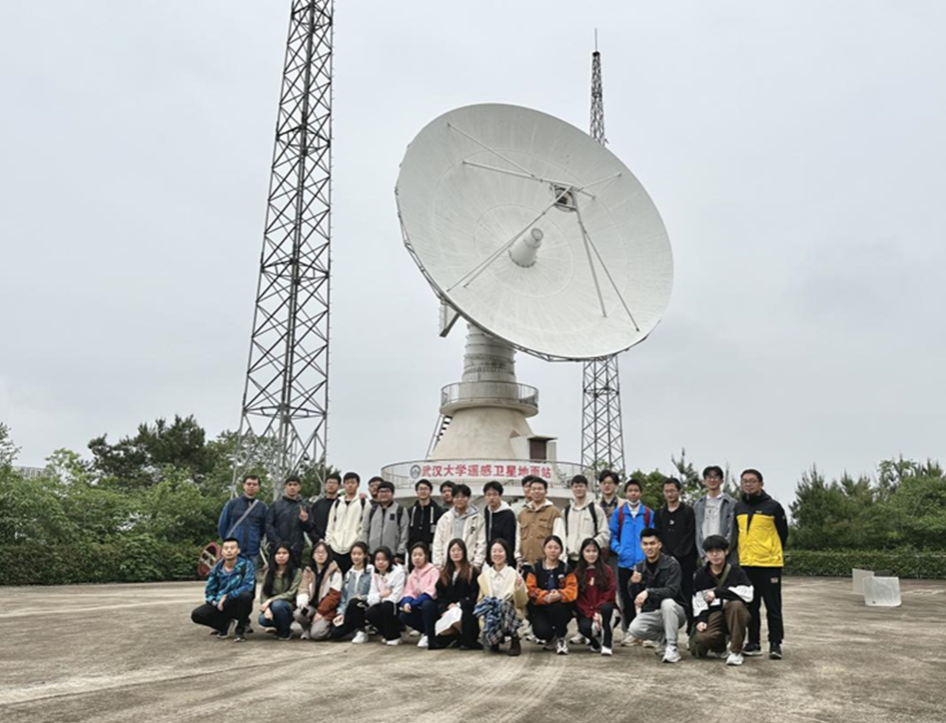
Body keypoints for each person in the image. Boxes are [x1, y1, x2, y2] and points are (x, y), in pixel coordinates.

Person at [734, 468, 788, 660]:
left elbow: (783, 534)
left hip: (769, 565)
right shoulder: (739, 507)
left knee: (773, 606)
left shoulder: (773, 507)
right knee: (751, 606)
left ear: (761, 484)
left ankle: (775, 643)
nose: (748, 484)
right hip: (747, 564)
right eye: (745, 481)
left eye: (752, 481)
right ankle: (753, 642)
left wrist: (770, 551)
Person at [626, 527, 687, 663]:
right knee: (634, 629)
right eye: (645, 544)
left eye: (652, 543)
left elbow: (672, 591)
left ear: (659, 544)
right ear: (641, 546)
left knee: (667, 603)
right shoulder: (640, 567)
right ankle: (663, 640)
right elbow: (635, 597)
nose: (649, 547)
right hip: (653, 613)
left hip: (675, 612)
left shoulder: (672, 564)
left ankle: (672, 647)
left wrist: (648, 592)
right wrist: (633, 583)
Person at [691, 534, 754, 666]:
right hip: (713, 614)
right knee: (702, 638)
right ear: (706, 554)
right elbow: (698, 600)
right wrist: (701, 620)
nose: (715, 555)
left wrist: (718, 592)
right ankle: (721, 646)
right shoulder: (701, 574)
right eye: (710, 551)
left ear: (726, 552)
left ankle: (735, 651)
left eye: (718, 551)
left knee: (736, 605)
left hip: (734, 614)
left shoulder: (737, 572)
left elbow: (748, 595)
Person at [609, 478, 654, 643]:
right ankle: (630, 632)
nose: (633, 493)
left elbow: (653, 536)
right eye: (630, 490)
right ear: (626, 493)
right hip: (624, 563)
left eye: (636, 490)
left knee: (647, 598)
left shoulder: (648, 513)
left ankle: (647, 634)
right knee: (626, 599)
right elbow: (612, 535)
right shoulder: (619, 513)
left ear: (640, 493)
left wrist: (648, 553)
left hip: (645, 563)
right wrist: (619, 549)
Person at [191, 537, 255, 642]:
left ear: (238, 550)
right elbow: (209, 590)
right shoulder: (217, 568)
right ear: (222, 551)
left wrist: (228, 596)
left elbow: (248, 586)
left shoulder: (246, 565)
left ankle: (240, 630)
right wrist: (214, 602)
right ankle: (223, 625)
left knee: (246, 596)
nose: (229, 551)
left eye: (232, 548)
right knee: (197, 614)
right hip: (220, 604)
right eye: (226, 548)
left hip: (237, 603)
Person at [654, 477, 697, 632]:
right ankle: (665, 631)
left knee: (687, 595)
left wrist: (678, 555)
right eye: (666, 491)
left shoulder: (688, 511)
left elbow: (690, 535)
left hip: (686, 562)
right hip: (665, 563)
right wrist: (667, 556)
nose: (669, 494)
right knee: (666, 596)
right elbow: (658, 536)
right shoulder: (659, 513)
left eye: (672, 490)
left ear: (679, 491)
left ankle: (691, 629)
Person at [525, 535, 577, 655]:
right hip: (540, 607)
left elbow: (572, 589)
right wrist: (545, 596)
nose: (553, 551)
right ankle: (550, 638)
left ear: (561, 550)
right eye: (550, 547)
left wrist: (560, 594)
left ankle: (561, 638)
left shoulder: (566, 568)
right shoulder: (535, 568)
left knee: (557, 606)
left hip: (561, 607)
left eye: (556, 548)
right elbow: (530, 589)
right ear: (544, 549)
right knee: (541, 631)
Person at [474, 538, 527, 656]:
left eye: (500, 551)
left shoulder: (514, 574)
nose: (497, 554)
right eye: (494, 551)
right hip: (492, 614)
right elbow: (480, 600)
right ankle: (494, 639)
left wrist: (518, 588)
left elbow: (522, 602)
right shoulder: (484, 577)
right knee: (491, 609)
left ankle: (514, 639)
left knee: (504, 604)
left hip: (511, 613)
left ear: (506, 553)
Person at [434, 539, 481, 650]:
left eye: (459, 550)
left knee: (463, 614)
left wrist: (459, 604)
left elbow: (475, 594)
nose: (456, 553)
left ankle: (466, 639)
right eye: (453, 550)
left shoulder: (471, 571)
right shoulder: (445, 573)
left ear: (464, 552)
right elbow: (440, 595)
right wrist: (444, 608)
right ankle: (456, 637)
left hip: (466, 609)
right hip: (449, 609)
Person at [573, 538, 617, 655]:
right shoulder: (577, 573)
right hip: (587, 611)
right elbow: (579, 598)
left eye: (594, 551)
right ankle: (595, 642)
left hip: (604, 609)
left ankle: (607, 642)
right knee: (584, 627)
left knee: (607, 608)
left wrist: (598, 610)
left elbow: (610, 591)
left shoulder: (607, 570)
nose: (591, 554)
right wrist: (591, 613)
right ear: (582, 553)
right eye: (588, 551)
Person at [294, 541, 343, 640]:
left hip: (327, 609)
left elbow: (334, 596)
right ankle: (307, 629)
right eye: (317, 552)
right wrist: (303, 602)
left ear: (328, 555)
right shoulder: (308, 570)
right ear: (313, 555)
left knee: (317, 634)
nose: (320, 555)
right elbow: (303, 588)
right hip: (312, 606)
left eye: (323, 552)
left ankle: (328, 627)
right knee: (298, 614)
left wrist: (320, 612)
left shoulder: (335, 571)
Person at [432, 483, 486, 569]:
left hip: (469, 564)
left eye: (463, 497)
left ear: (469, 498)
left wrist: (477, 563)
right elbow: (438, 542)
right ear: (453, 498)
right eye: (457, 497)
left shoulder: (478, 518)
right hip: (448, 564)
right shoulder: (445, 518)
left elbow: (481, 542)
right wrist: (438, 564)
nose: (460, 499)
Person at [518, 477, 566, 571]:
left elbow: (559, 538)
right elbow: (518, 537)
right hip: (525, 563)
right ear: (529, 491)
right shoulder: (522, 514)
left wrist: (559, 562)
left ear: (546, 491)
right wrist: (518, 557)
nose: (536, 491)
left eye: (540, 489)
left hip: (546, 565)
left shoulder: (554, 512)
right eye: (533, 489)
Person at [325, 471, 369, 574]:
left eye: (353, 483)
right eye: (347, 483)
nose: (350, 485)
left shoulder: (364, 503)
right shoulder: (337, 502)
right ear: (343, 485)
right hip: (335, 546)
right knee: (335, 577)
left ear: (358, 484)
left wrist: (359, 541)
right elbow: (330, 524)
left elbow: (364, 525)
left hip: (353, 548)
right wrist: (329, 541)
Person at [217, 474, 268, 564]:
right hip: (233, 550)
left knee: (251, 572)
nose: (251, 486)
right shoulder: (232, 504)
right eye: (249, 484)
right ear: (244, 485)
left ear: (258, 487)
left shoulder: (262, 507)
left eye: (254, 484)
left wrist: (255, 539)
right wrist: (228, 542)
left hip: (252, 550)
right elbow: (222, 525)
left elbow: (262, 529)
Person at [330, 541, 373, 643]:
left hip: (365, 606)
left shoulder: (371, 571)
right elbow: (344, 598)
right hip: (350, 610)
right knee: (335, 633)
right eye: (353, 554)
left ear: (365, 555)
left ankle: (362, 631)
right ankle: (354, 629)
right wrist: (341, 613)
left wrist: (362, 598)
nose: (356, 557)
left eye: (359, 554)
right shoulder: (349, 573)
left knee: (355, 602)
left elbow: (374, 592)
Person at [399, 542, 440, 648]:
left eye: (420, 555)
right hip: (417, 605)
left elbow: (431, 592)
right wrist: (407, 603)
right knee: (404, 615)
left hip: (432, 605)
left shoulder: (433, 571)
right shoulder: (412, 574)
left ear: (426, 556)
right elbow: (408, 591)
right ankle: (424, 631)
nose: (417, 558)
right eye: (414, 555)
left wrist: (413, 604)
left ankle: (428, 634)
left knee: (427, 604)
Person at [694, 465, 738, 564]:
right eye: (709, 477)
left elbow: (732, 531)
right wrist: (703, 554)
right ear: (704, 481)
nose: (712, 480)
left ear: (721, 481)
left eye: (716, 477)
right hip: (706, 554)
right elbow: (697, 531)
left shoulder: (730, 503)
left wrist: (724, 551)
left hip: (726, 555)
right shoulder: (698, 504)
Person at [564, 474, 610, 569]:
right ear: (571, 488)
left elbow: (605, 533)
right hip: (571, 559)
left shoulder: (596, 509)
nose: (578, 489)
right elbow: (563, 534)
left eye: (581, 486)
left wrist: (592, 546)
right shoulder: (566, 511)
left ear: (587, 488)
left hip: (590, 559)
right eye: (576, 486)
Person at [265, 475, 312, 565]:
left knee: (294, 572)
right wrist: (278, 543)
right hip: (277, 549)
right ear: (285, 486)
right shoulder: (276, 505)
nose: (292, 487)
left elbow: (310, 528)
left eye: (295, 485)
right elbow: (268, 526)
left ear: (299, 487)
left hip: (296, 549)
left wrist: (305, 521)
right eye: (290, 484)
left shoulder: (304, 506)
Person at [257, 543, 301, 640]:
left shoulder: (296, 572)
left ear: (289, 555)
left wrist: (270, 601)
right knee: (262, 619)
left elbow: (291, 593)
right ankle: (280, 627)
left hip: (288, 605)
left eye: (284, 553)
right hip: (272, 605)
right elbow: (263, 593)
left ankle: (285, 631)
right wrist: (267, 609)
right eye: (278, 553)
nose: (281, 556)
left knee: (278, 605)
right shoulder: (269, 571)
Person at [365, 546, 406, 645]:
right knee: (370, 613)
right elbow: (370, 597)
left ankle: (394, 636)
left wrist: (383, 599)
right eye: (378, 559)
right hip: (382, 601)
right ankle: (386, 634)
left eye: (384, 559)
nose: (381, 562)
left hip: (396, 604)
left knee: (387, 606)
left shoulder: (399, 572)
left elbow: (397, 594)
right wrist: (381, 595)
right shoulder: (375, 574)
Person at [363, 480, 409, 563]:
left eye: (387, 491)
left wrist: (400, 553)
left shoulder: (400, 510)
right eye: (381, 492)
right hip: (373, 554)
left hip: (392, 555)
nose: (384, 494)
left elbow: (404, 533)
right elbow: (365, 530)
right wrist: (365, 550)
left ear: (393, 493)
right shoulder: (371, 510)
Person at [482, 480, 521, 566]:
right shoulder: (487, 510)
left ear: (500, 496)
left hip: (504, 556)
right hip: (490, 555)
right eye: (488, 495)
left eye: (495, 494)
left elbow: (510, 538)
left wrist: (508, 558)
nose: (491, 498)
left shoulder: (508, 514)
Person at [407, 478, 444, 555]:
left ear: (430, 491)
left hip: (432, 552)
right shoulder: (411, 511)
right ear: (416, 491)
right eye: (420, 489)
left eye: (425, 489)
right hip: (414, 552)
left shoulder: (438, 511)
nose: (423, 491)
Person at [310, 472, 341, 544]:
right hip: (319, 543)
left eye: (334, 483)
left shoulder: (343, 504)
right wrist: (317, 539)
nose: (331, 485)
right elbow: (311, 525)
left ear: (339, 486)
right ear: (325, 485)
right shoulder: (317, 504)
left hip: (338, 543)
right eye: (329, 482)